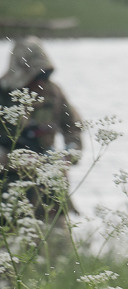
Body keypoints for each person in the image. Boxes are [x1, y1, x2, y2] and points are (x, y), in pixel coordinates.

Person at [0, 36, 82, 234]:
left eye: (45, 75)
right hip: (8, 192)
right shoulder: (2, 95)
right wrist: (11, 160)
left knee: (58, 249)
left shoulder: (54, 92)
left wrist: (70, 152)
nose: (41, 81)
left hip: (50, 190)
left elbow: (74, 128)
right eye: (37, 75)